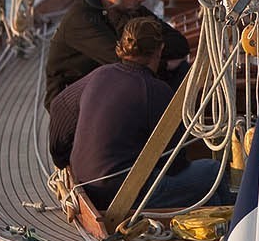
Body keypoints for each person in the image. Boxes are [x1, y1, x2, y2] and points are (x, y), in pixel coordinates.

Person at [48, 18, 226, 213]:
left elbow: (58, 106)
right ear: (160, 50)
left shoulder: (99, 75)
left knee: (208, 194)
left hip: (86, 187)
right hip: (125, 194)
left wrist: (61, 159)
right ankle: (231, 221)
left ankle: (215, 215)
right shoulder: (155, 90)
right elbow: (175, 162)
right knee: (213, 171)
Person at [44, 0, 190, 107]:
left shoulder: (131, 9)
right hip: (71, 100)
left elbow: (179, 43)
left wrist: (155, 58)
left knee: (181, 71)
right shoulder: (81, 18)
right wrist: (164, 64)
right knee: (152, 85)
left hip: (107, 82)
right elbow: (122, 64)